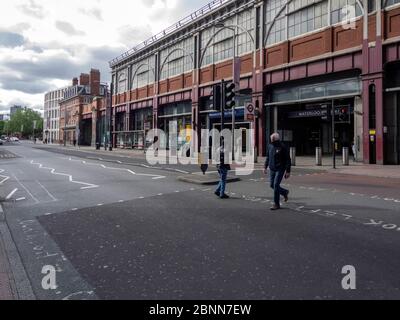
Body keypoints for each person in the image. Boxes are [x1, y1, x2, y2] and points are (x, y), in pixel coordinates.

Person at [264, 133, 291, 210]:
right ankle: (284, 192)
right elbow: (268, 157)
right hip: (272, 168)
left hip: (280, 168)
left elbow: (288, 160)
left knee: (276, 185)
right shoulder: (270, 146)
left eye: (273, 140)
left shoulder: (283, 147)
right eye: (271, 139)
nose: (271, 141)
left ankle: (276, 204)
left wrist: (288, 171)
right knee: (272, 185)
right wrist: (265, 167)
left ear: (276, 139)